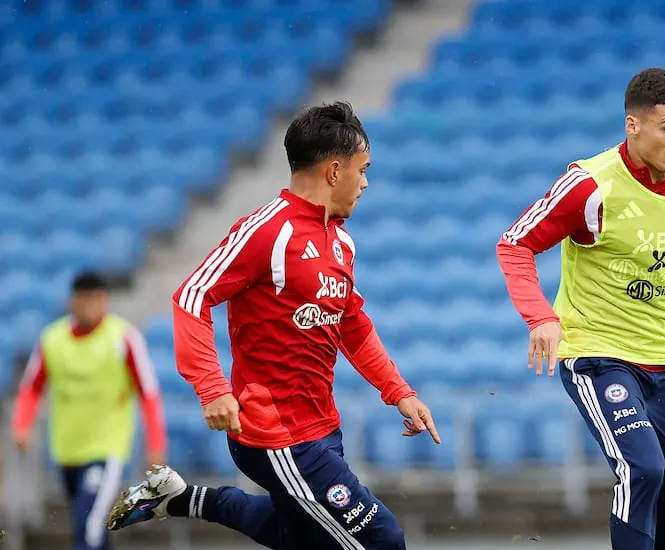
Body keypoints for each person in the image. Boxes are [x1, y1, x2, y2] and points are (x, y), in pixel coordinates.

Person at [105, 102, 440, 550]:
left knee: (301, 538)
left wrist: (399, 392)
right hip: (278, 436)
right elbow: (191, 296)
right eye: (362, 170)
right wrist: (212, 387)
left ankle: (182, 498)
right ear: (334, 171)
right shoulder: (267, 230)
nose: (365, 183)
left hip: (322, 427)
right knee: (384, 541)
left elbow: (353, 324)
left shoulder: (340, 241)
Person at [496, 67, 665, 550]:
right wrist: (541, 317)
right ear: (633, 125)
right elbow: (515, 244)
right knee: (642, 469)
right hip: (598, 353)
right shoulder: (589, 186)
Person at [11, 271, 167, 550]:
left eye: (97, 299)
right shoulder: (52, 339)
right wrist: (22, 425)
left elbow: (149, 394)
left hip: (107, 449)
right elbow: (31, 388)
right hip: (67, 451)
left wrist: (156, 445)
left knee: (88, 527)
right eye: (85, 299)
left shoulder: (123, 338)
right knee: (95, 529)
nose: (91, 306)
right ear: (73, 301)